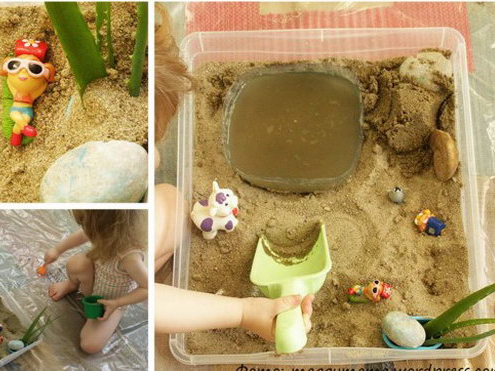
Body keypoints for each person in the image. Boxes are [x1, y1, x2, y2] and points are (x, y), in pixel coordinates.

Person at [153, 4, 314, 342]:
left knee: (169, 201)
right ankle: (137, 273)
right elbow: (150, 306)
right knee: (170, 204)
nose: (156, 159)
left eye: (150, 143)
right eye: (146, 146)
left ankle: (139, 269)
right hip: (127, 279)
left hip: (120, 254)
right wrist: (241, 311)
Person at [44, 210, 148, 354]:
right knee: (76, 263)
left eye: (87, 226)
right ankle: (71, 285)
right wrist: (57, 249)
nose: (86, 230)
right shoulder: (101, 231)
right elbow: (82, 234)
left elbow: (147, 288)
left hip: (110, 302)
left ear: (105, 229)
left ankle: (113, 312)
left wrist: (117, 303)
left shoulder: (130, 257)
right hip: (93, 278)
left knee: (90, 345)